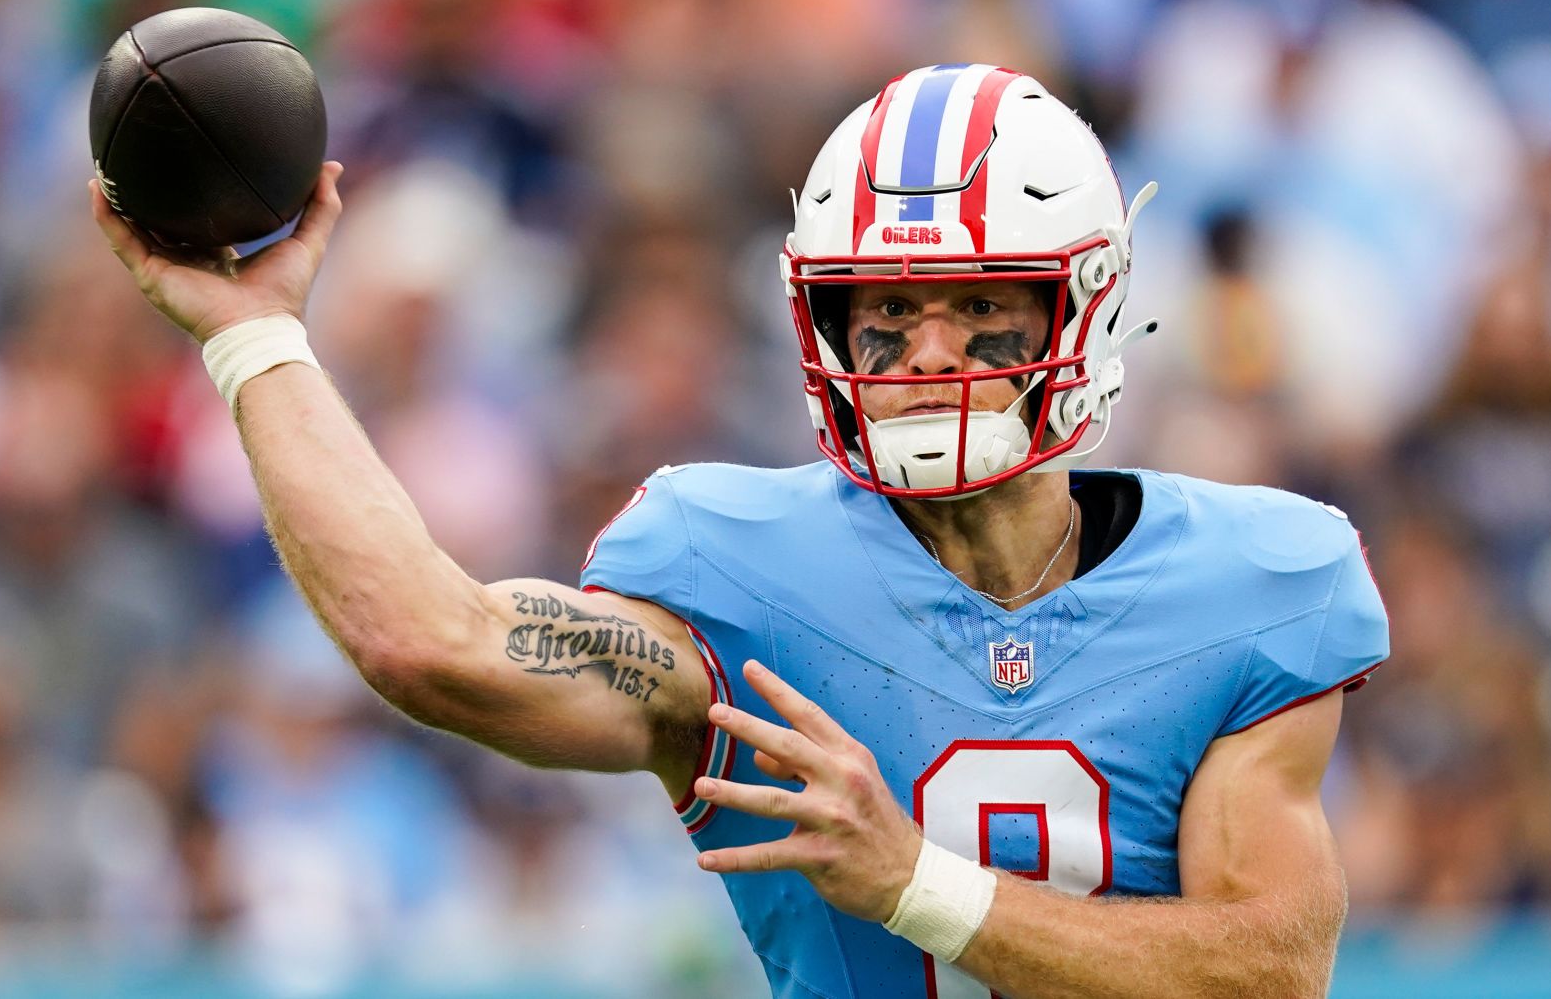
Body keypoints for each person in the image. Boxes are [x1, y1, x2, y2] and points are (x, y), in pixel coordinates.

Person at [91, 63, 1388, 999]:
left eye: (976, 304)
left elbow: (1266, 975)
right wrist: (256, 337)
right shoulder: (741, 574)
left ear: (1081, 311)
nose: (925, 353)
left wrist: (913, 886)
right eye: (882, 310)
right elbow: (435, 643)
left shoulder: (1255, 582)